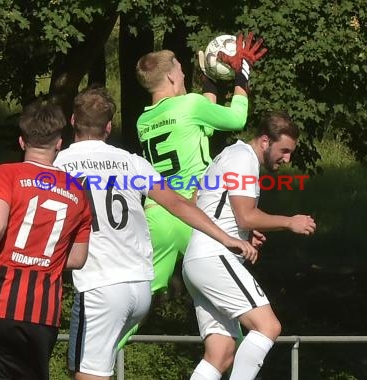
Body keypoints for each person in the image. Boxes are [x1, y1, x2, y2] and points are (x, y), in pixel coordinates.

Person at [53, 86, 257, 380]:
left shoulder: (59, 167)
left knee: (85, 374)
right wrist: (226, 237)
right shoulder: (132, 163)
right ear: (109, 126)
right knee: (99, 368)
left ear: (72, 121)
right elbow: (177, 203)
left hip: (99, 283)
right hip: (139, 286)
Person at [116, 34, 268, 348]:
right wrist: (242, 74)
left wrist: (211, 80)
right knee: (230, 296)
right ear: (171, 76)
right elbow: (236, 118)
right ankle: (236, 356)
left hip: (158, 217)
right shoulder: (190, 105)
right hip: (196, 216)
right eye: (181, 70)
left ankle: (100, 355)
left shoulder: (144, 120)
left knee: (134, 308)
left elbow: (203, 121)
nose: (185, 75)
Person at [182, 111, 317, 380]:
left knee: (221, 353)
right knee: (268, 326)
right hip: (214, 256)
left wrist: (243, 230)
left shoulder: (229, 154)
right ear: (265, 141)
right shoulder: (244, 158)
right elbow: (245, 214)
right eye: (285, 150)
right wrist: (289, 222)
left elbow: (199, 197)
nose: (288, 159)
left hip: (198, 258)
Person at [0, 100, 92, 380]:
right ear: (59, 143)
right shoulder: (77, 191)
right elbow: (77, 258)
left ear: (22, 140)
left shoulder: (6, 173)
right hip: (43, 312)